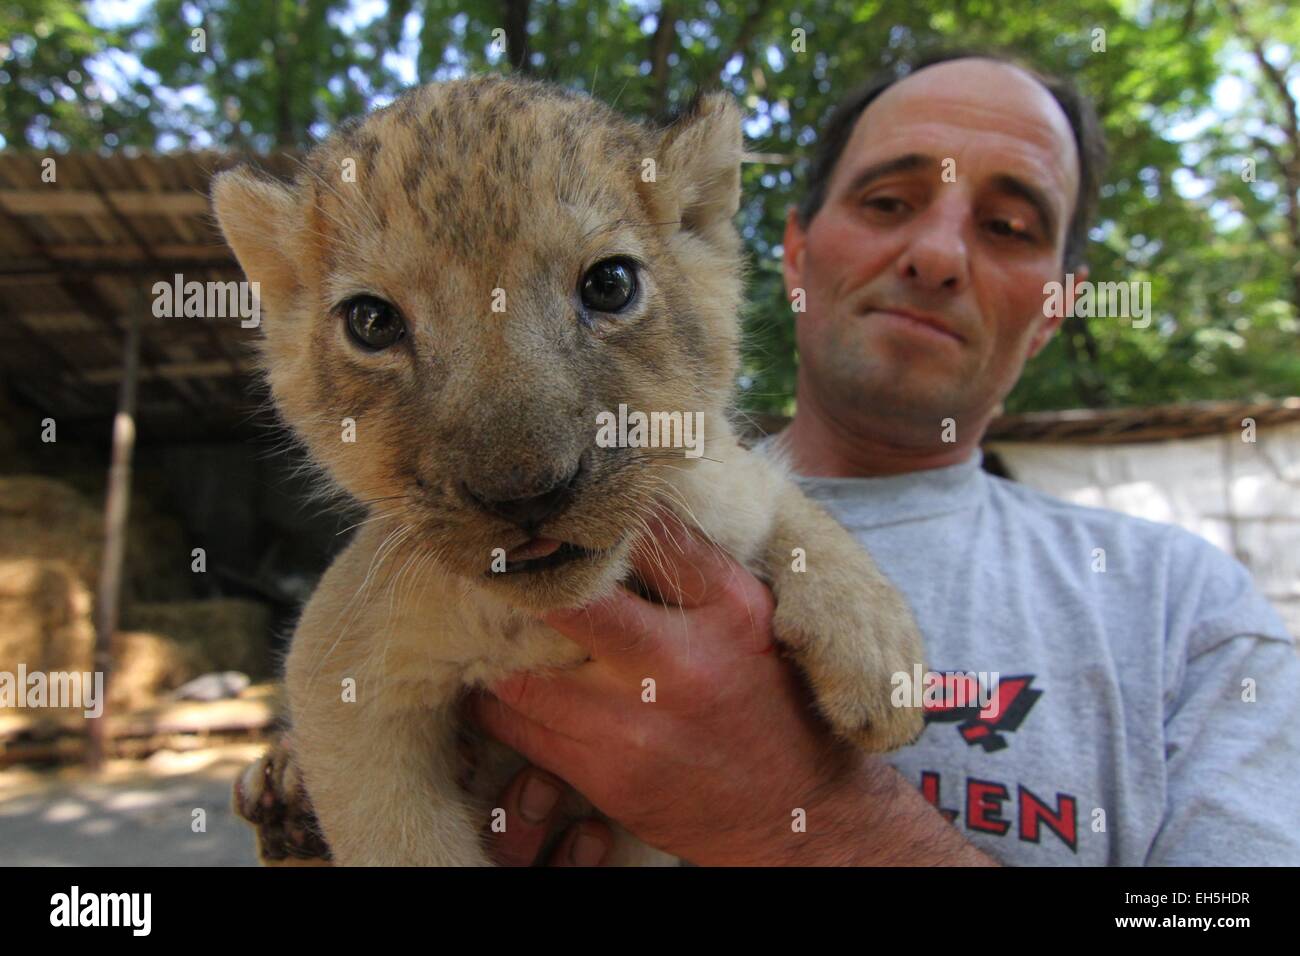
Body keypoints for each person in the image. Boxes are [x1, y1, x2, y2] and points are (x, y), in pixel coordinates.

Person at [467, 50, 1300, 866]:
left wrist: (814, 823)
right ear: (793, 255)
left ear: (1055, 311)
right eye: (889, 201)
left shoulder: (1185, 611)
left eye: (1008, 227)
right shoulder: (524, 500)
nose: (935, 256)